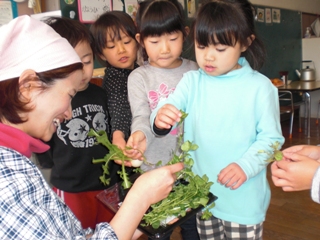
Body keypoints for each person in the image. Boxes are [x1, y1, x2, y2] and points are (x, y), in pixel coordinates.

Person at [0, 15, 183, 240]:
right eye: (69, 95)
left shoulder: (15, 160)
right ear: (29, 87)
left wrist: (142, 221)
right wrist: (139, 198)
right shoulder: (7, 178)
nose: (68, 113)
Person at [150, 0, 285, 239]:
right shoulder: (192, 82)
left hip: (242, 201)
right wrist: (161, 115)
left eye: (220, 49)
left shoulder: (260, 88)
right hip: (204, 198)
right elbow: (167, 106)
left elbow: (272, 139)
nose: (208, 57)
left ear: (245, 42)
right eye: (201, 46)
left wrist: (245, 165)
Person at [34, 16, 122, 229]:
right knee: (76, 231)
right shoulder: (54, 100)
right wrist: (51, 165)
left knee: (112, 229)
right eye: (72, 65)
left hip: (107, 184)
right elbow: (42, 142)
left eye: (87, 61)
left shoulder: (102, 94)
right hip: (72, 187)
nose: (82, 71)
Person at [125, 0, 200, 239]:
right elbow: (140, 116)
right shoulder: (139, 77)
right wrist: (139, 135)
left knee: (193, 229)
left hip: (193, 171)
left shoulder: (196, 71)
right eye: (155, 42)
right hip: (155, 170)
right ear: (141, 40)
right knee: (160, 231)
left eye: (172, 38)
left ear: (185, 34)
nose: (164, 48)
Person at [90, 11, 139, 151]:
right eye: (111, 46)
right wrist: (118, 136)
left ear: (137, 41)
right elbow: (119, 107)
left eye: (126, 42)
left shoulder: (138, 71)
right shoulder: (115, 78)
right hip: (128, 144)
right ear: (101, 54)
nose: (121, 50)